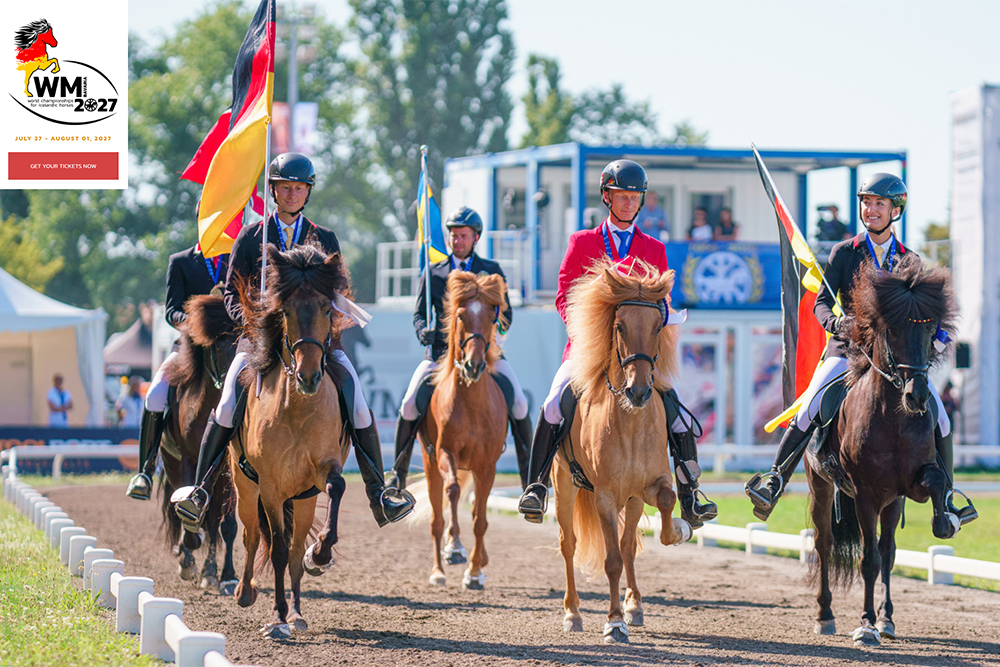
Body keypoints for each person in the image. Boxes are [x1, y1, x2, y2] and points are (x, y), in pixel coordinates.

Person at [172, 152, 414, 531]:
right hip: (259, 344)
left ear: (308, 192)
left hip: (314, 345)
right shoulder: (253, 237)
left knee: (359, 403)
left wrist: (337, 314)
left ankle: (379, 494)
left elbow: (337, 291)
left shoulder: (324, 238)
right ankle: (200, 491)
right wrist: (249, 322)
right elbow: (231, 294)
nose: (292, 194)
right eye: (285, 187)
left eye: (299, 188)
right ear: (273, 191)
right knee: (224, 404)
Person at [745, 173, 977, 525]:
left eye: (879, 204)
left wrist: (937, 337)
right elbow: (822, 302)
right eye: (866, 202)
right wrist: (835, 324)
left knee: (940, 417)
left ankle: (947, 499)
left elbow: (928, 314)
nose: (871, 209)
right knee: (810, 404)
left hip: (894, 357)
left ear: (895, 210)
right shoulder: (844, 252)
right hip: (848, 350)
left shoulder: (908, 259)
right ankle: (775, 479)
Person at [517, 159, 718, 527]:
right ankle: (537, 487)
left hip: (637, 354)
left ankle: (691, 495)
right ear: (607, 197)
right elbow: (565, 295)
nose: (628, 203)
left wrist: (666, 314)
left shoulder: (654, 248)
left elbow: (662, 300)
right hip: (587, 352)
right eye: (621, 196)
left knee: (676, 413)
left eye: (634, 197)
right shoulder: (583, 242)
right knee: (552, 406)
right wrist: (583, 331)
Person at [386, 207, 532, 491]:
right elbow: (418, 315)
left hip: (485, 356)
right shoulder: (434, 272)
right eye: (453, 235)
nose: (457, 240)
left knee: (520, 403)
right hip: (441, 357)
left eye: (463, 235)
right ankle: (397, 475)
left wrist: (495, 338)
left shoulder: (491, 271)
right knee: (409, 403)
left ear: (475, 237)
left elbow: (507, 315)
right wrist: (422, 332)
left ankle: (530, 480)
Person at [125, 243, 232, 500]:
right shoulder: (181, 261)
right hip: (189, 348)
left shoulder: (237, 257)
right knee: (155, 393)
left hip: (230, 349)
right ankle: (146, 470)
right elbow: (171, 310)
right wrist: (195, 323)